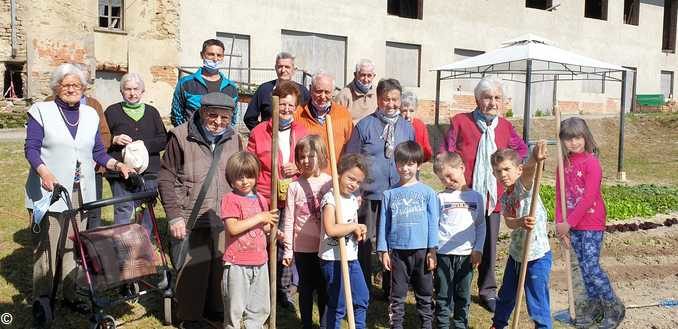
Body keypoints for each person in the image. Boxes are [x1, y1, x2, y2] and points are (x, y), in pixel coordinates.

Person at [25, 63, 134, 318]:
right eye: (66, 85)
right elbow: (31, 148)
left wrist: (117, 164)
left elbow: (97, 152)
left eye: (76, 85)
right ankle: (43, 299)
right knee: (48, 248)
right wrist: (44, 172)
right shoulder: (41, 111)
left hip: (81, 190)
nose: (71, 89)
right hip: (49, 191)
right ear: (56, 88)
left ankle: (70, 293)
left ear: (84, 88)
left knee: (73, 246)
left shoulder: (90, 114)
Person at [439, 76, 528, 312]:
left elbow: (521, 151)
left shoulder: (505, 127)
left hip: (493, 197)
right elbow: (445, 153)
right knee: (459, 240)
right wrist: (451, 177)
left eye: (497, 98)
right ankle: (456, 286)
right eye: (488, 97)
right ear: (478, 100)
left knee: (488, 244)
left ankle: (487, 290)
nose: (493, 102)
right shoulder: (460, 122)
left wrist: (513, 170)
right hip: (464, 195)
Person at [158, 92, 242, 328]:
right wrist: (173, 216)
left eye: (224, 118)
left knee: (219, 269)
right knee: (192, 271)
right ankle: (190, 319)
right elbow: (166, 178)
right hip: (189, 215)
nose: (218, 122)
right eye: (213, 115)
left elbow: (239, 174)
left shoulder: (234, 138)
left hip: (222, 215)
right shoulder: (181, 136)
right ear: (202, 112)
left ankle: (214, 313)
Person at [345, 78, 414, 297]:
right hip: (370, 195)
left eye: (395, 100)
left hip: (397, 195)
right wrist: (356, 190)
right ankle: (363, 285)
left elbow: (414, 159)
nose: (391, 104)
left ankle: (390, 285)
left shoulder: (407, 128)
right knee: (365, 241)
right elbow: (351, 159)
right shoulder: (364, 126)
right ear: (378, 99)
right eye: (386, 99)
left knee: (393, 240)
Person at [555, 118, 625, 329]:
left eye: (577, 137)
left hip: (591, 223)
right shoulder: (563, 164)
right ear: (562, 140)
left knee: (592, 267)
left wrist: (570, 223)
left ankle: (614, 308)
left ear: (586, 137)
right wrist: (561, 225)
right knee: (583, 269)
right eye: (568, 138)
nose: (574, 142)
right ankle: (595, 307)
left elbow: (589, 197)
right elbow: (560, 197)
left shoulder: (591, 163)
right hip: (571, 225)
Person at [247, 79, 309, 310]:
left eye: (290, 106)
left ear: (297, 108)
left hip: (291, 195)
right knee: (262, 241)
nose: (286, 109)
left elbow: (309, 160)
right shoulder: (259, 131)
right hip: (265, 195)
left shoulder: (302, 131)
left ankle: (282, 291)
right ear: (274, 104)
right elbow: (251, 164)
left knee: (285, 242)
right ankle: (259, 288)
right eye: (282, 104)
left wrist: (298, 167)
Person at [377, 141, 438, 329]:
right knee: (397, 293)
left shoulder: (428, 193)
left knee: (425, 292)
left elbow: (433, 223)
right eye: (401, 163)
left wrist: (432, 250)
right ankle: (397, 324)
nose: (405, 168)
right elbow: (383, 224)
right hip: (398, 252)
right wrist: (383, 250)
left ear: (419, 165)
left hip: (422, 251)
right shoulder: (389, 194)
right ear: (395, 164)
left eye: (410, 164)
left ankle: (427, 324)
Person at [489, 143, 552, 329]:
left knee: (537, 299)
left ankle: (543, 327)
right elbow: (509, 221)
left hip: (537, 256)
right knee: (507, 294)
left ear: (518, 170)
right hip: (516, 254)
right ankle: (498, 325)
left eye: (507, 169)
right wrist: (521, 222)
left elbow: (530, 169)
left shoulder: (523, 187)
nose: (503, 175)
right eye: (498, 171)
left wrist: (534, 156)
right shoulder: (505, 197)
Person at [44, 63, 111, 230]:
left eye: (80, 81)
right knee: (62, 210)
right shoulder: (48, 104)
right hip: (60, 171)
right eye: (69, 83)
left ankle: (91, 245)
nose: (73, 87)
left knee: (93, 208)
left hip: (91, 168)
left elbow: (104, 134)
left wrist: (94, 158)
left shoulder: (93, 105)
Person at [220, 151, 278, 329]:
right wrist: (261, 217)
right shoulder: (230, 199)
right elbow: (233, 228)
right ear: (231, 179)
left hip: (260, 262)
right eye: (239, 177)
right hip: (238, 264)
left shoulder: (261, 199)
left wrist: (273, 229)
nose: (245, 181)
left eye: (249, 176)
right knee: (235, 310)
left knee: (259, 309)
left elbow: (264, 227)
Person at [104, 72, 167, 232]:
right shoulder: (111, 112)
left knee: (147, 208)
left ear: (142, 91)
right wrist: (114, 139)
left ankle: (144, 244)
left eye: (136, 89)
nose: (132, 93)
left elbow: (163, 139)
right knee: (123, 208)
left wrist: (143, 145)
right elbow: (101, 138)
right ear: (121, 91)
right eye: (128, 89)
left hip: (149, 171)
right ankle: (122, 245)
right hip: (121, 171)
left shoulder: (152, 112)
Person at [282, 135, 331, 329]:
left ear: (321, 156)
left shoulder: (329, 182)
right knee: (305, 288)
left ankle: (326, 324)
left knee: (324, 287)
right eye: (302, 157)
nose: (306, 161)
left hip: (325, 247)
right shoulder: (294, 187)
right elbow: (288, 220)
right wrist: (287, 250)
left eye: (311, 156)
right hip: (302, 247)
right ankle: (306, 324)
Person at [432, 152, 485, 329]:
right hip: (443, 254)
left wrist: (478, 249)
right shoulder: (440, 197)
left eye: (449, 175)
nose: (447, 181)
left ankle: (461, 323)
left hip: (466, 256)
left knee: (463, 294)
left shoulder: (476, 197)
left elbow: (480, 226)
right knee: (443, 293)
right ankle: (442, 324)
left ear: (461, 168)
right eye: (442, 179)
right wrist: (432, 250)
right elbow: (433, 225)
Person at [319, 153, 370, 329]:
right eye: (350, 178)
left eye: (358, 182)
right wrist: (353, 227)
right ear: (340, 172)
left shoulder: (352, 200)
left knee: (362, 297)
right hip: (333, 260)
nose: (353, 184)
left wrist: (359, 229)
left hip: (350, 257)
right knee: (338, 303)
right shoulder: (330, 198)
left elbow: (350, 225)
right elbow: (331, 229)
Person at [171, 39, 239, 127]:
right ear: (202, 55)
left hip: (221, 139)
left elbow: (233, 118)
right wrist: (186, 135)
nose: (215, 59)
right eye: (211, 54)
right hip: (191, 139)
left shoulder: (231, 87)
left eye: (219, 55)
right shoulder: (186, 83)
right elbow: (177, 115)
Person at [294, 72, 353, 166]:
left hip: (334, 176)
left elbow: (350, 148)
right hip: (306, 176)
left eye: (327, 92)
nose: (322, 96)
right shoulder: (298, 114)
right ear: (310, 89)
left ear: (333, 92)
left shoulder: (344, 115)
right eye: (318, 91)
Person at [244, 52, 310, 130]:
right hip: (269, 139)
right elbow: (249, 118)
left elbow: (308, 118)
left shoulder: (303, 92)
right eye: (280, 66)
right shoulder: (264, 89)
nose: (283, 70)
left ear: (294, 70)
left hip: (295, 139)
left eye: (287, 67)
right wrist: (262, 133)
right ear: (275, 68)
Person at [400, 90, 432, 162]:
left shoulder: (420, 125)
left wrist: (419, 162)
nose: (408, 115)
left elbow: (427, 150)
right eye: (404, 111)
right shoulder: (395, 125)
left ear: (416, 110)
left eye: (411, 111)